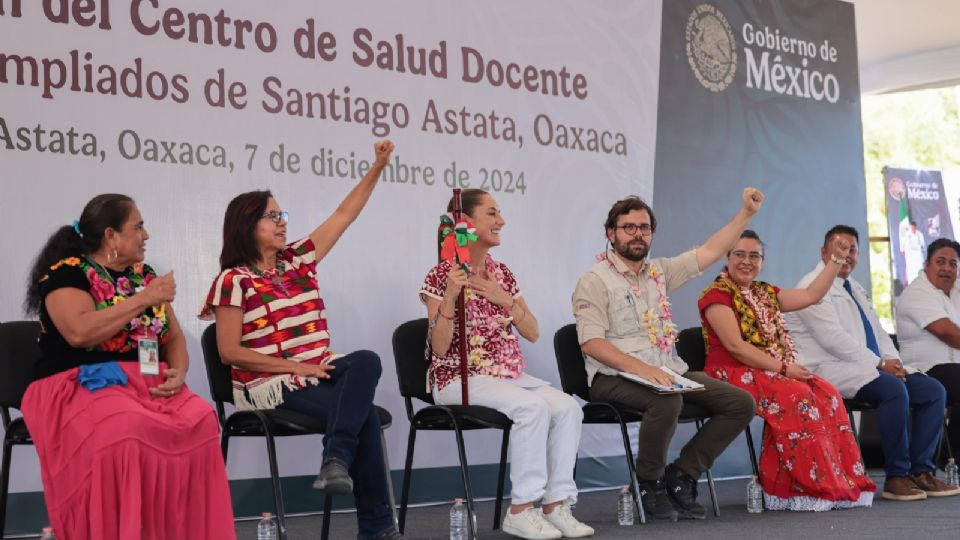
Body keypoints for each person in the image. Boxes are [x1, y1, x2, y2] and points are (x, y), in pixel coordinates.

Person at [200, 141, 404, 540]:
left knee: (366, 360)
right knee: (360, 412)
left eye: (282, 215)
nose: (282, 222)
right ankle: (375, 525)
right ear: (247, 225)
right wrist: (294, 367)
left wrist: (378, 165)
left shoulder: (298, 260)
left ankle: (336, 461)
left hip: (316, 369)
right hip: (268, 384)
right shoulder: (233, 280)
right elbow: (229, 351)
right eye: (271, 217)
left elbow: (345, 214)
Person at [22, 194, 235, 539]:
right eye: (138, 226)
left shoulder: (144, 276)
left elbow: (174, 339)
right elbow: (79, 332)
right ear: (111, 236)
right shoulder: (67, 275)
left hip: (145, 382)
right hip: (80, 383)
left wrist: (178, 372)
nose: (146, 234)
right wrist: (145, 298)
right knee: (125, 430)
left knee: (201, 420)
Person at [572, 190, 760, 522]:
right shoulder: (594, 280)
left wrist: (745, 213)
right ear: (611, 233)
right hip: (612, 376)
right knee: (667, 398)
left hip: (667, 371)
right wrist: (643, 370)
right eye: (628, 227)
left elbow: (711, 251)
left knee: (741, 404)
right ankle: (649, 481)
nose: (637, 234)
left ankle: (682, 474)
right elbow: (591, 344)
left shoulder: (658, 272)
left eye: (644, 228)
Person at [422, 189, 593, 539]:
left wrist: (504, 300)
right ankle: (520, 510)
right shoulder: (443, 275)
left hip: (507, 376)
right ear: (465, 223)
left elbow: (532, 331)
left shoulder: (504, 274)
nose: (501, 221)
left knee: (567, 408)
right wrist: (452, 297)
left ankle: (556, 505)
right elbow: (439, 348)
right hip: (458, 376)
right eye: (492, 213)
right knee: (532, 408)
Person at [698, 230, 876, 511]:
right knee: (797, 395)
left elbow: (811, 295)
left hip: (769, 371)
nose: (747, 261)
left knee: (827, 393)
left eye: (754, 256)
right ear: (727, 258)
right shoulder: (716, 295)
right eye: (740, 255)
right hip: (731, 373)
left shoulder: (764, 293)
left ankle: (839, 481)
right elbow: (736, 347)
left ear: (762, 261)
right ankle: (806, 488)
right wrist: (784, 368)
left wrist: (836, 260)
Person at [786, 225, 957, 500]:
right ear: (824, 252)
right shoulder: (811, 285)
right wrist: (880, 364)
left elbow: (877, 331)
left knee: (933, 391)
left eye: (852, 249)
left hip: (867, 365)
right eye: (839, 248)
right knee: (893, 390)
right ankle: (897, 476)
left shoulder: (855, 287)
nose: (846, 254)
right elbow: (833, 339)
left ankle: (921, 472)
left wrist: (893, 361)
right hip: (827, 368)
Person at [896, 238, 960, 466]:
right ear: (926, 264)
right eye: (940, 261)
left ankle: (949, 456)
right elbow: (948, 333)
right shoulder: (917, 292)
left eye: (953, 264)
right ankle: (951, 458)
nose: (947, 268)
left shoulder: (956, 290)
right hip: (925, 369)